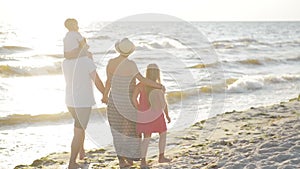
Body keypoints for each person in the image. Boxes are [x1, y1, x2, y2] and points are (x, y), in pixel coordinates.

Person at [102, 38, 164, 168]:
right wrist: (158, 85)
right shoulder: (131, 64)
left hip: (114, 101)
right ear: (130, 51)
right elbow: (142, 80)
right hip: (128, 102)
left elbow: (108, 82)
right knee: (131, 131)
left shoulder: (111, 62)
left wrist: (104, 96)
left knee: (117, 131)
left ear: (118, 49)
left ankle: (122, 161)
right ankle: (131, 158)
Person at [62, 18, 105, 169]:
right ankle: (72, 163)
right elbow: (98, 82)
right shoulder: (86, 61)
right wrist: (106, 95)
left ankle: (82, 153)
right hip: (82, 103)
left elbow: (70, 54)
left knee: (80, 128)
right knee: (79, 131)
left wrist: (85, 54)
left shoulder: (65, 62)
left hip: (70, 102)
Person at [132, 64, 171, 168]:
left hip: (144, 114)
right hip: (157, 113)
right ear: (158, 73)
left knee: (147, 137)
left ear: (147, 73)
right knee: (162, 133)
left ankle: (143, 161)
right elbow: (164, 103)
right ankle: (161, 156)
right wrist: (167, 115)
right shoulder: (159, 86)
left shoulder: (140, 85)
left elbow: (134, 98)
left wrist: (138, 109)